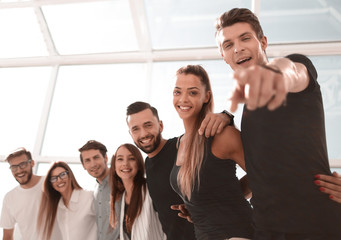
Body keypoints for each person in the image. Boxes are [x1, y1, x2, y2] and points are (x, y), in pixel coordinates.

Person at [215, 8, 341, 239]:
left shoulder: (294, 69)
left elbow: (290, 72)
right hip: (268, 231)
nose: (238, 48)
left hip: (318, 226)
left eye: (245, 38)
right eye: (228, 44)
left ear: (262, 42)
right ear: (223, 56)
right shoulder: (248, 113)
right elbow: (259, 176)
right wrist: (205, 204)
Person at [126, 101, 233, 240]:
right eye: (135, 129)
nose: (143, 134)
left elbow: (219, 137)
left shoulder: (183, 146)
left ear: (160, 125)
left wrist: (226, 117)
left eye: (148, 125)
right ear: (130, 133)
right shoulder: (148, 164)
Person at [169, 64, 253, 240]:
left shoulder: (222, 135)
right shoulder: (179, 143)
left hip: (238, 234)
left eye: (192, 92)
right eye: (178, 92)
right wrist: (199, 204)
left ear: (207, 96)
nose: (183, 99)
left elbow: (264, 175)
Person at [109, 143, 166, 240]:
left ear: (139, 164)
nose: (125, 164)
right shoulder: (123, 197)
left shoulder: (150, 189)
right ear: (114, 166)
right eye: (120, 159)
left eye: (131, 158)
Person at [37, 161, 96, 240]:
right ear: (50, 184)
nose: (59, 180)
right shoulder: (59, 206)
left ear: (70, 175)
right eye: (54, 178)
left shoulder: (89, 197)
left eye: (63, 174)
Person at [79, 140, 120, 240]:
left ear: (105, 158)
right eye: (87, 160)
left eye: (96, 157)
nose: (93, 164)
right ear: (83, 166)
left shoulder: (121, 182)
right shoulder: (95, 191)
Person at [0, 148, 44, 240]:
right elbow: (7, 236)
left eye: (22, 165)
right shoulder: (10, 198)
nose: (19, 170)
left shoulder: (50, 184)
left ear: (32, 163)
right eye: (14, 167)